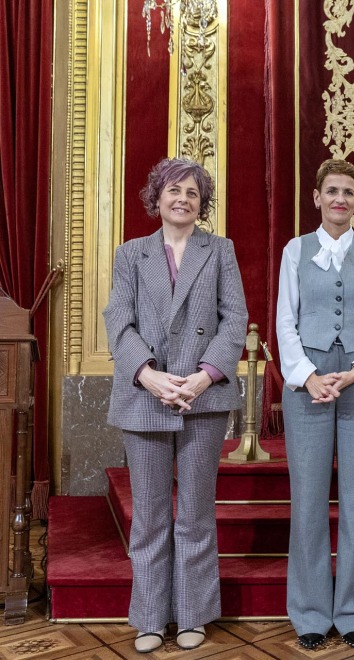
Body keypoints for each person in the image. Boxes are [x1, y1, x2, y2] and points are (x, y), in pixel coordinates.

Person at [103, 157, 248, 653]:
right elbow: (118, 321)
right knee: (148, 516)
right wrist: (147, 374)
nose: (182, 198)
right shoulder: (130, 255)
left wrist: (203, 378)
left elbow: (235, 320)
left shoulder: (220, 251)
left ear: (201, 203)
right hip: (146, 395)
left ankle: (192, 614)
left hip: (201, 399)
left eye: (191, 192)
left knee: (194, 515)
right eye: (173, 191)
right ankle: (148, 617)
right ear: (157, 198)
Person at [275, 159, 354, 650]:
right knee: (307, 502)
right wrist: (308, 377)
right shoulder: (295, 250)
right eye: (332, 191)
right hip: (310, 386)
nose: (340, 199)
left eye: (348, 192)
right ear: (317, 198)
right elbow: (286, 320)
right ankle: (309, 614)